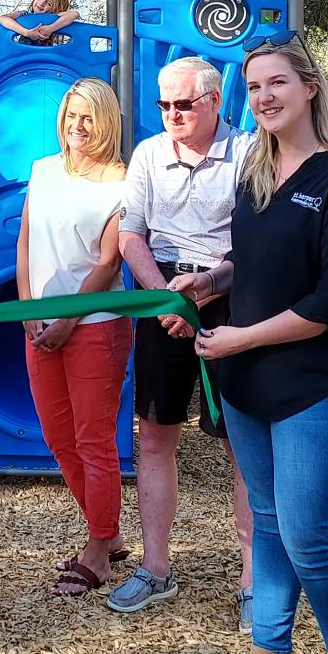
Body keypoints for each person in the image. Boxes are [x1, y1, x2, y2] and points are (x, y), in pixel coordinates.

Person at [192, 39, 328, 654]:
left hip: (318, 384)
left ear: (309, 88)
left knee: (311, 538)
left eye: (277, 83)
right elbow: (257, 260)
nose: (265, 96)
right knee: (267, 529)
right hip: (250, 385)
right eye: (254, 86)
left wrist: (239, 338)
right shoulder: (256, 170)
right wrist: (211, 284)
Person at [109, 55, 254, 624]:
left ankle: (252, 580)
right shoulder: (147, 154)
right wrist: (168, 298)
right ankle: (156, 567)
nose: (171, 114)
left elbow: (258, 242)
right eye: (163, 104)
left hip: (233, 298)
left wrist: (205, 292)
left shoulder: (247, 153)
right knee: (154, 436)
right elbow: (130, 236)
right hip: (163, 295)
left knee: (240, 440)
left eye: (183, 104)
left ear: (215, 102)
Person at [17, 78, 131, 597]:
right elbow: (25, 240)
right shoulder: (42, 171)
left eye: (89, 118)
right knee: (59, 437)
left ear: (106, 122)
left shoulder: (121, 184)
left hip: (95, 326)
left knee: (93, 439)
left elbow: (109, 262)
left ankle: (99, 550)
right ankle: (108, 532)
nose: (77, 127)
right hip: (39, 324)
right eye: (70, 116)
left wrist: (69, 318)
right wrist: (28, 309)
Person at [0, 0, 79, 46]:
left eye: (49, 3)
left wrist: (50, 28)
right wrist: (27, 32)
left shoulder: (54, 18)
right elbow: (2, 18)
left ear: (55, 9)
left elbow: (74, 14)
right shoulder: (24, 14)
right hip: (21, 58)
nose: (42, 3)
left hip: (42, 61)